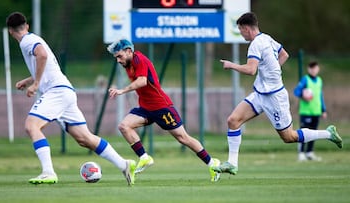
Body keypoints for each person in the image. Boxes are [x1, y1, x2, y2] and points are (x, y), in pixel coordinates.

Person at [6, 12, 136, 185]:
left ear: (10, 31)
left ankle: (48, 172)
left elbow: (42, 55)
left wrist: (36, 83)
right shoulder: (32, 38)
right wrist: (29, 79)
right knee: (85, 139)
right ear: (27, 25)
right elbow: (47, 62)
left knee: (31, 126)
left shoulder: (26, 41)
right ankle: (124, 164)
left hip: (57, 92)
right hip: (64, 91)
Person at [214, 12, 342, 175]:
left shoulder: (255, 44)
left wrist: (232, 65)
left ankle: (328, 133)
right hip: (260, 94)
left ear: (247, 28)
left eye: (241, 30)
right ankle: (232, 163)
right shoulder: (267, 38)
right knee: (233, 120)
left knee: (289, 137)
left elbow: (251, 70)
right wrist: (272, 71)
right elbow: (284, 54)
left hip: (274, 98)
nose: (241, 33)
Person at [106, 39, 221, 182]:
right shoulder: (128, 64)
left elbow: (142, 81)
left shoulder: (139, 59)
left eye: (119, 56)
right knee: (124, 126)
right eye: (116, 57)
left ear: (129, 51)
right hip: (145, 107)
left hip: (161, 107)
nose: (118, 60)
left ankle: (212, 163)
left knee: (183, 138)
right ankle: (144, 157)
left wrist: (122, 90)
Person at [294, 61, 327, 161]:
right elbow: (296, 91)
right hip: (306, 112)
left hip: (316, 111)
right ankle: (301, 153)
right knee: (304, 133)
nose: (314, 70)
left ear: (318, 69)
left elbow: (320, 96)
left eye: (315, 68)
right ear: (309, 69)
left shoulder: (320, 80)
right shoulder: (305, 79)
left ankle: (309, 152)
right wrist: (303, 95)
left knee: (314, 133)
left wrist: (323, 110)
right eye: (312, 68)